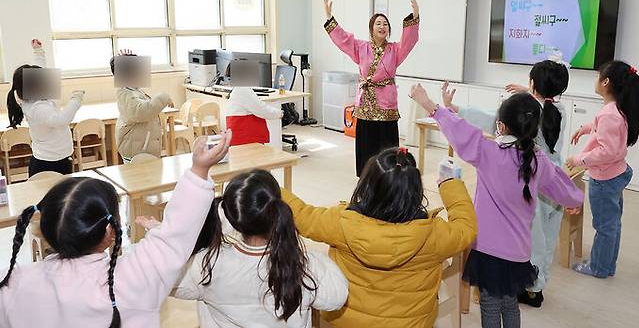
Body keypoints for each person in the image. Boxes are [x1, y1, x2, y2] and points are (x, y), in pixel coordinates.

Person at [0, 132, 231, 328]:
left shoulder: (14, 283)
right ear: (110, 232)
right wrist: (199, 169)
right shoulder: (132, 279)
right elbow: (175, 236)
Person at [410, 84, 583, 328]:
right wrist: (574, 201)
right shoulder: (538, 160)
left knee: (491, 306)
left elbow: (461, 131)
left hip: (489, 251)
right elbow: (560, 184)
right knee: (510, 303)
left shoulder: (488, 152)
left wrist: (428, 103)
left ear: (500, 125)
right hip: (518, 253)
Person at [279, 147, 477, 328]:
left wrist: (268, 186)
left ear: (367, 186)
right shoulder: (434, 235)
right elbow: (467, 227)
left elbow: (302, 215)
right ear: (415, 191)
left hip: (346, 322)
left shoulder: (341, 223)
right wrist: (450, 184)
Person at [141, 169, 348, 327]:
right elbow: (336, 297)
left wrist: (163, 236)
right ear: (278, 210)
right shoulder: (305, 265)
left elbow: (165, 278)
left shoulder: (208, 264)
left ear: (229, 217)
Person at [443, 59, 570, 307]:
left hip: (530, 178)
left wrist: (453, 107)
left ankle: (530, 287)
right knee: (547, 235)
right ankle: (538, 283)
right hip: (551, 175)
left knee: (533, 236)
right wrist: (530, 92)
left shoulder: (528, 112)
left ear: (533, 83)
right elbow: (542, 104)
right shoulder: (559, 110)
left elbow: (492, 119)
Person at [323, 0, 420, 176]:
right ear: (371, 28)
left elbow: (409, 41)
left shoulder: (395, 50)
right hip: (366, 103)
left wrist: (414, 17)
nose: (382, 26)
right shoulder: (361, 47)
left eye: (385, 24)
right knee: (366, 143)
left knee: (387, 144)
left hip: (386, 104)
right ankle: (366, 176)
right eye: (378, 23)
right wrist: (330, 17)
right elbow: (343, 40)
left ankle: (390, 177)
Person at [567, 61, 639, 279]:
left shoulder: (610, 114)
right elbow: (606, 128)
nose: (596, 79)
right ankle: (608, 265)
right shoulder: (617, 108)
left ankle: (599, 267)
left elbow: (606, 151)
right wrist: (586, 128)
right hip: (616, 173)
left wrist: (579, 159)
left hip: (604, 179)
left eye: (598, 75)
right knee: (613, 223)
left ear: (606, 82)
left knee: (604, 226)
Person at [5, 39, 84, 176]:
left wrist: (38, 51)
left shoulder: (37, 96)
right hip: (48, 164)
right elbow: (61, 120)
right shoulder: (37, 108)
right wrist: (75, 99)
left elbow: (40, 68)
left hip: (60, 159)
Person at [111, 49, 173, 163]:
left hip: (143, 150)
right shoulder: (125, 93)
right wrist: (163, 98)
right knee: (137, 179)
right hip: (135, 152)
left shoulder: (135, 91)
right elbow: (142, 111)